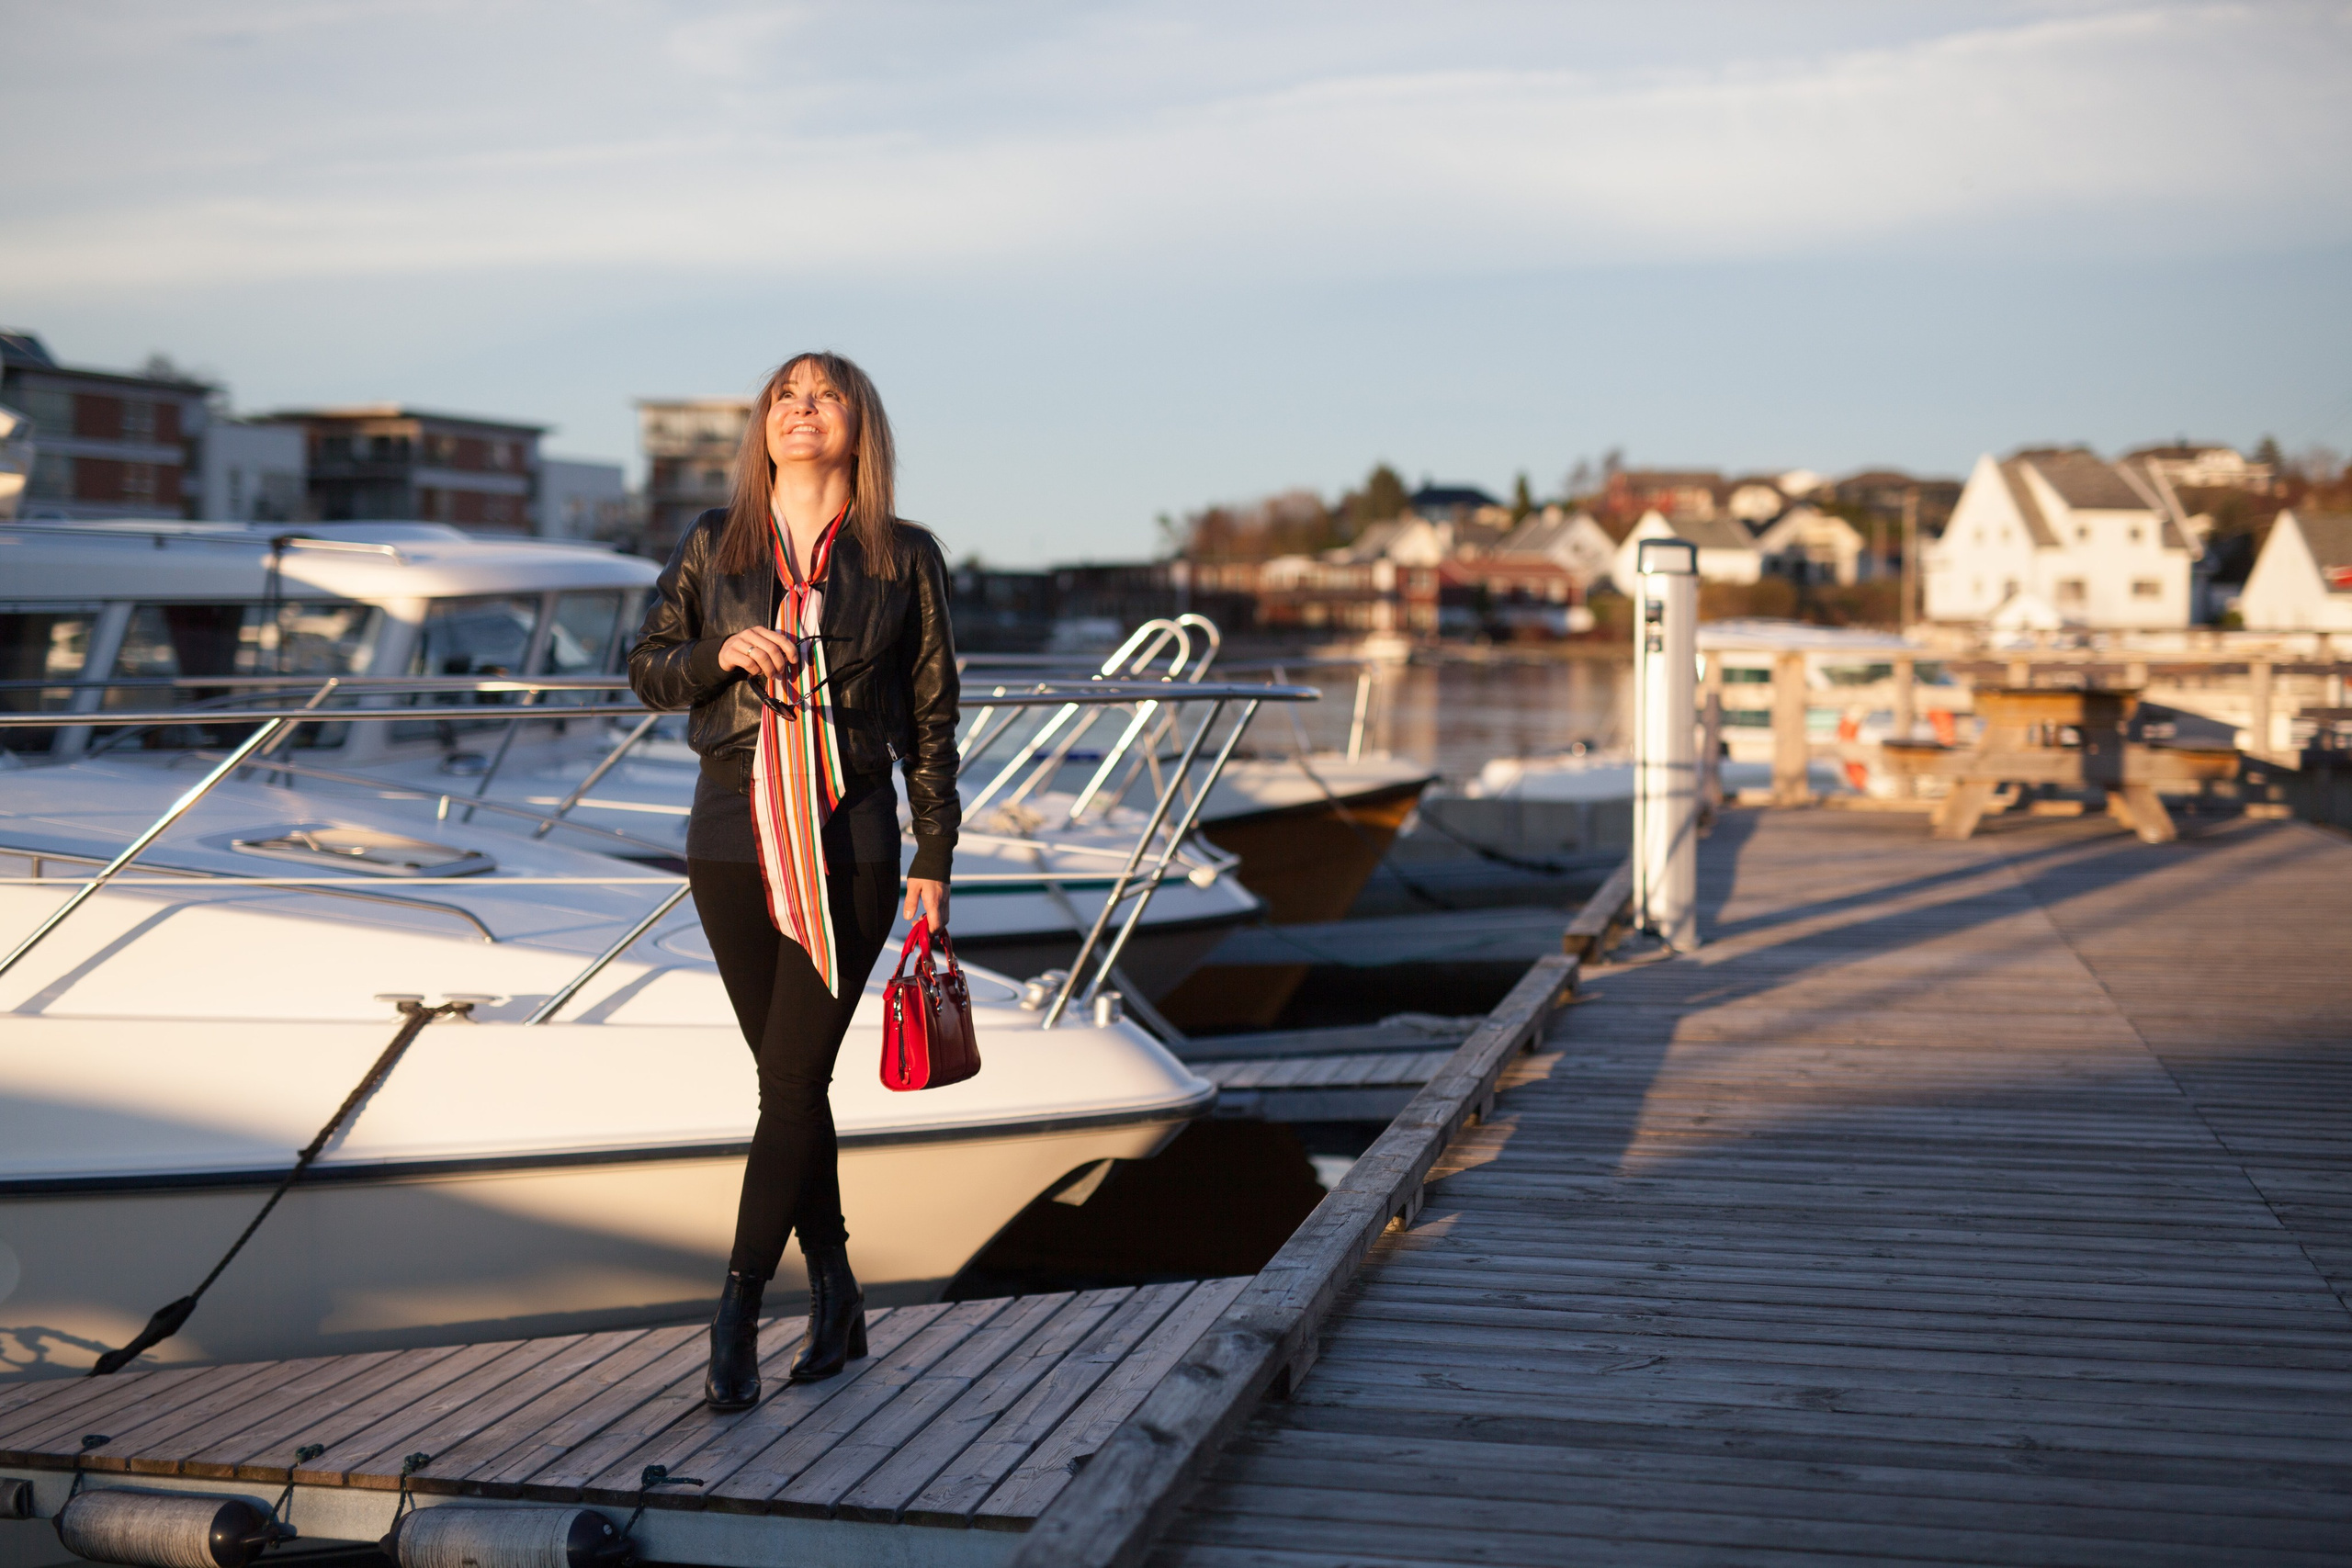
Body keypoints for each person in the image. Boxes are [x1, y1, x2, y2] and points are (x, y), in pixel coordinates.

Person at [628, 352, 958, 1410]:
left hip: (850, 834)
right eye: (785, 396)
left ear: (859, 426)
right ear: (762, 427)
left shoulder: (903, 558)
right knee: (791, 1084)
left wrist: (934, 854)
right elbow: (646, 669)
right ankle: (837, 1291)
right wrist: (722, 651)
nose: (801, 410)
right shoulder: (714, 546)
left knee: (787, 1081)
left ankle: (733, 1314)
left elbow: (934, 716)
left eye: (824, 397)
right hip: (729, 830)